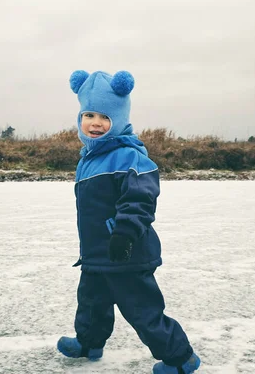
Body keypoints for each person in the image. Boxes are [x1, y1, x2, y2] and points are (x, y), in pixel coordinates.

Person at [57, 70, 200, 374]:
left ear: (119, 119)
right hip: (96, 253)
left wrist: (124, 233)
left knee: (142, 310)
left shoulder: (129, 156)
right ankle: (89, 343)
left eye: (105, 117)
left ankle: (180, 357)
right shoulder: (89, 158)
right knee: (92, 302)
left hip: (127, 251)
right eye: (89, 115)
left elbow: (140, 200)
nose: (95, 123)